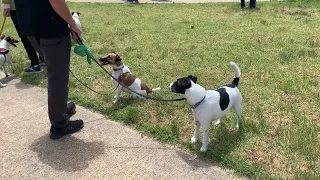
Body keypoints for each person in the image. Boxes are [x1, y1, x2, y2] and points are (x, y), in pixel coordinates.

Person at [14, 0, 84, 140]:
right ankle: (59, 124)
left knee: (54, 73)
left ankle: (60, 110)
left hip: (29, 25)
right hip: (50, 28)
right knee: (58, 77)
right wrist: (71, 22)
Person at [1, 0, 44, 73]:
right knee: (35, 32)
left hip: (18, 6)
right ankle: (43, 58)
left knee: (25, 35)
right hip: (33, 4)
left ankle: (35, 64)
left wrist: (6, 6)